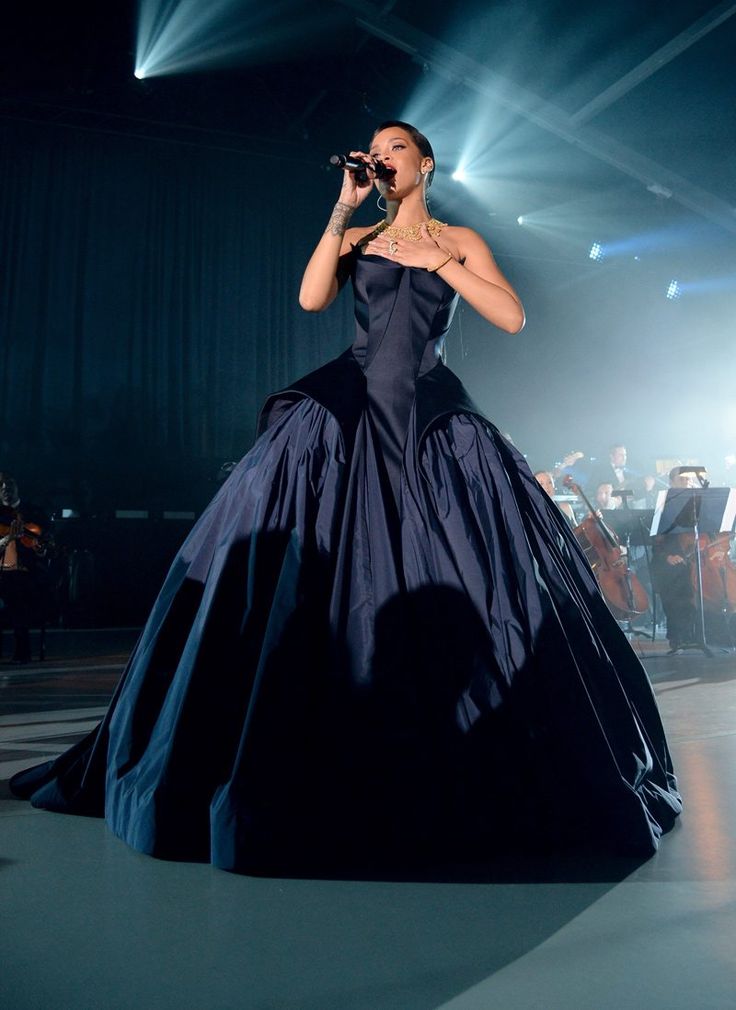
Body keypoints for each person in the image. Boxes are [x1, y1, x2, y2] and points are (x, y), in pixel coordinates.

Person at [11, 122, 681, 871]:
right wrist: (342, 209)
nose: (383, 155)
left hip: (428, 412)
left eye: (396, 147)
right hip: (346, 409)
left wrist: (441, 261)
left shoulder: (460, 237)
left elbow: (512, 316)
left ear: (425, 162)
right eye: (376, 148)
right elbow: (309, 298)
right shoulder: (359, 235)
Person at [0, 473, 52, 664]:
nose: (6, 491)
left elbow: (44, 543)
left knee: (16, 590)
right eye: (3, 488)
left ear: (17, 490)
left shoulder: (33, 513)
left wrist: (39, 548)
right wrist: (8, 539)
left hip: (25, 572)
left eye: (10, 488)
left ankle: (22, 651)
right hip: (2, 571)